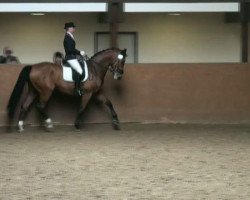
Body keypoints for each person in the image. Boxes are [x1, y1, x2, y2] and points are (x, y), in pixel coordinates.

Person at [63, 22, 85, 96]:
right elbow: (70, 49)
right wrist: (79, 52)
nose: (74, 29)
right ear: (69, 28)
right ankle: (76, 90)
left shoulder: (70, 36)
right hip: (70, 58)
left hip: (72, 57)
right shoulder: (68, 37)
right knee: (80, 71)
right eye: (73, 27)